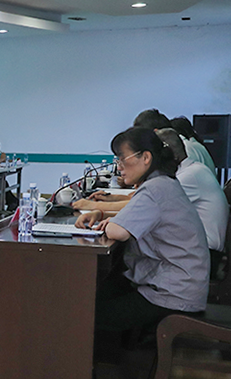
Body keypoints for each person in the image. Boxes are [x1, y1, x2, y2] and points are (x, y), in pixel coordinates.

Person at [76, 128, 208, 338]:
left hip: (173, 294)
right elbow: (131, 216)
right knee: (101, 293)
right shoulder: (162, 183)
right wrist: (102, 214)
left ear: (146, 157)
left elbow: (119, 232)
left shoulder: (155, 189)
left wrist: (109, 223)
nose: (119, 167)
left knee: (86, 312)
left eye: (122, 159)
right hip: (180, 285)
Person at [158, 128, 227, 256]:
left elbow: (153, 207)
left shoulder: (188, 177)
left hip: (205, 252)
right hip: (201, 247)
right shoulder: (194, 169)